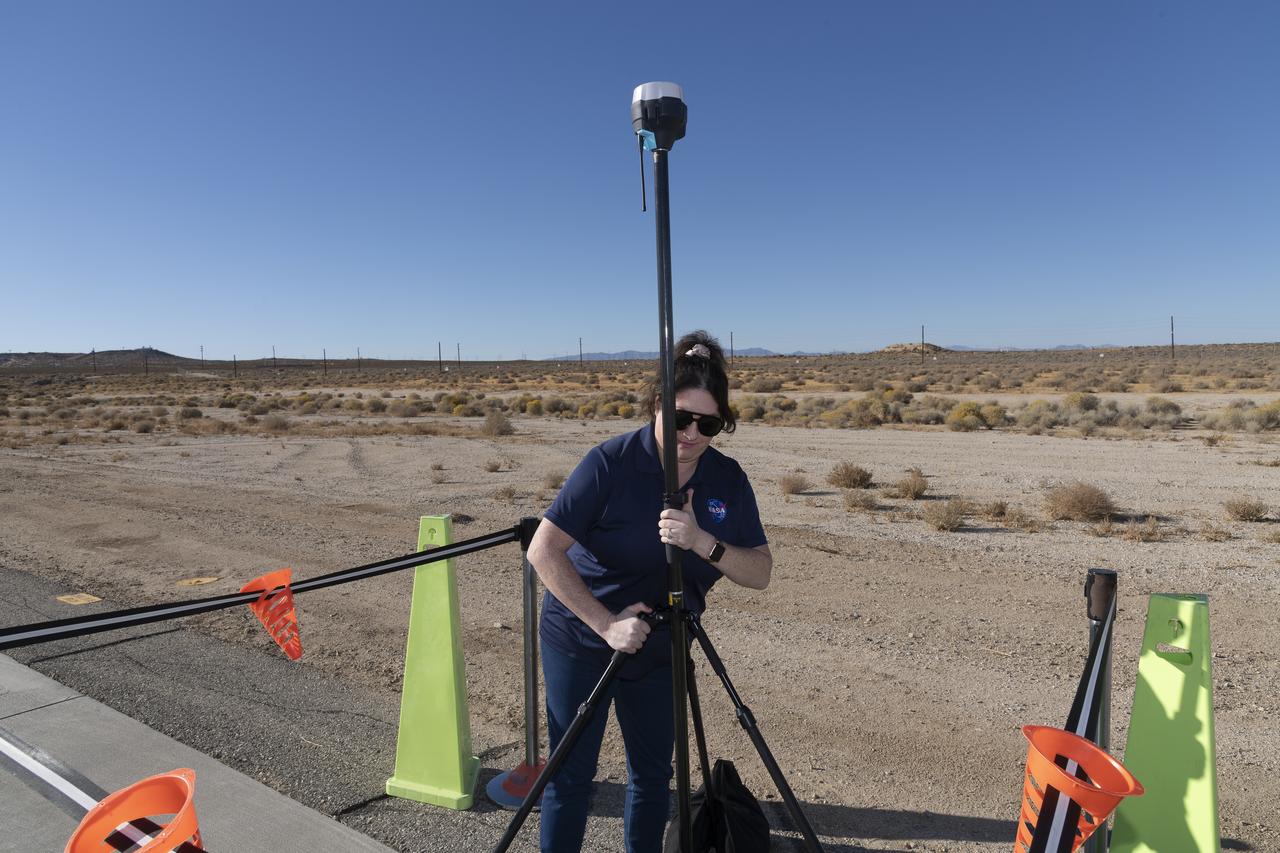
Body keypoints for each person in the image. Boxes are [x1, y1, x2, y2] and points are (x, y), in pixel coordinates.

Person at [527, 330, 772, 853]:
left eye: (707, 424)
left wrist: (702, 541)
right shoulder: (609, 463)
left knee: (653, 778)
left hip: (663, 645)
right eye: (680, 417)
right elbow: (543, 551)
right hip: (583, 638)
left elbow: (760, 572)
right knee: (571, 775)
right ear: (656, 404)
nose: (691, 434)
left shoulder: (727, 480)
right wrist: (606, 624)